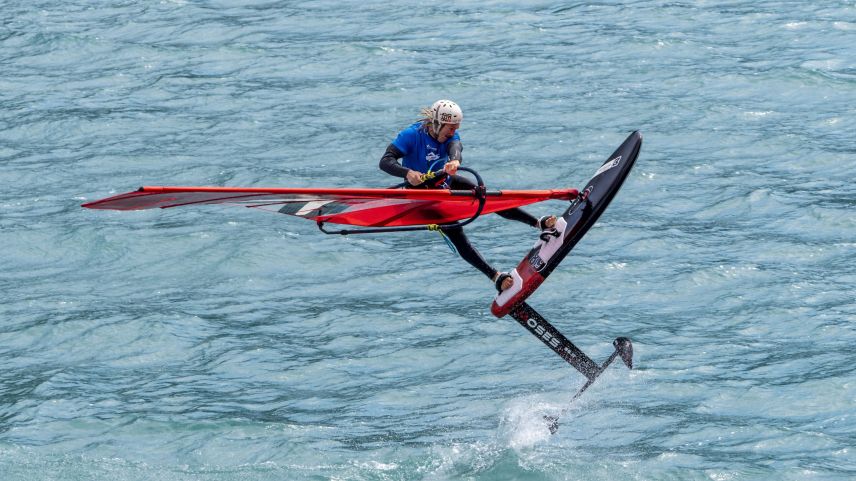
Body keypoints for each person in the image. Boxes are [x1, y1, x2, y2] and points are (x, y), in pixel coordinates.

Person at [379, 99, 558, 292]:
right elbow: (385, 161)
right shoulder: (411, 135)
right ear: (438, 124)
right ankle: (495, 276)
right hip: (422, 198)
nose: (453, 132)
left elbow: (456, 148)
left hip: (444, 182)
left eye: (456, 128)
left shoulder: (451, 136)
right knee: (456, 232)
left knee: (486, 197)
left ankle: (537, 223)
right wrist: (407, 173)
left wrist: (454, 162)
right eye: (450, 128)